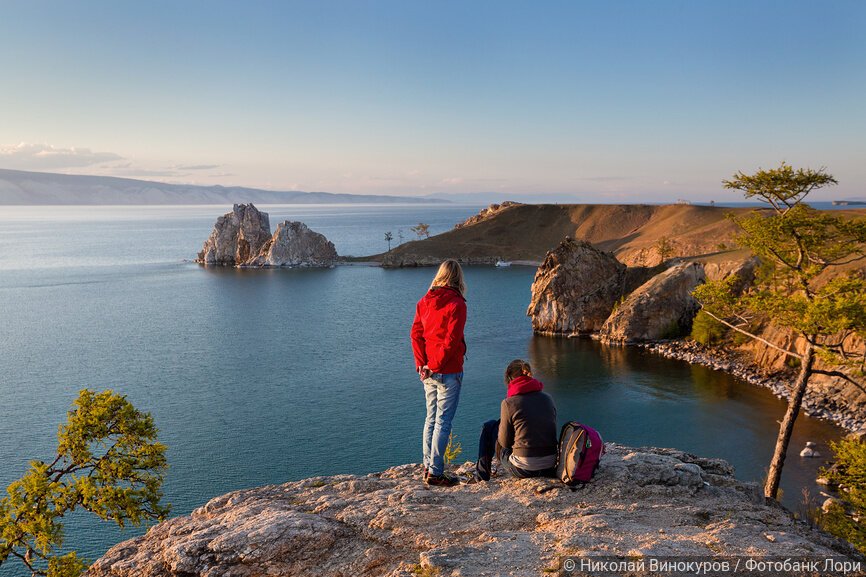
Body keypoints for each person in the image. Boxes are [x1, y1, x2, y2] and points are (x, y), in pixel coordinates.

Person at [411, 259, 467, 487]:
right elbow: (452, 341)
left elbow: (415, 334)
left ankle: (428, 466)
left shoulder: (424, 301)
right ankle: (435, 472)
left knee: (430, 419)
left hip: (428, 372)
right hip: (448, 370)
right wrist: (435, 365)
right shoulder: (457, 304)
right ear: (458, 278)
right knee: (443, 422)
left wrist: (422, 364)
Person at [475, 359, 558, 481]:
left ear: (509, 378)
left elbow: (504, 443)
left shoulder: (509, 403)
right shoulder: (548, 398)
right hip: (550, 464)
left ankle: (481, 477)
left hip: (523, 468)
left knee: (489, 427)